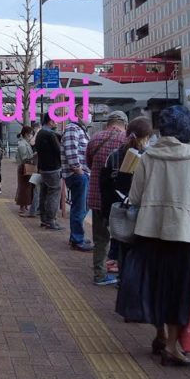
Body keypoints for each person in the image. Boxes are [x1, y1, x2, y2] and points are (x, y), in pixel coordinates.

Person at [115, 106, 190, 366]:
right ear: (186, 131)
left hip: (149, 231)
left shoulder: (149, 157)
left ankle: (159, 335)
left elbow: (134, 198)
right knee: (179, 291)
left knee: (155, 285)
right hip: (183, 234)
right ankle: (172, 346)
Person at [100, 116, 152, 277]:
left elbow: (105, 186)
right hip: (142, 213)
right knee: (139, 253)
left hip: (118, 211)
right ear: (146, 137)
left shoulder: (114, 155)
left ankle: (123, 280)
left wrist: (106, 212)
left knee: (122, 246)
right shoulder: (150, 158)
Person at [85, 111, 128, 285]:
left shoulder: (95, 139)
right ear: (124, 124)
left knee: (100, 239)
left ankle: (99, 274)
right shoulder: (126, 140)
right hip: (120, 200)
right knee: (123, 239)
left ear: (108, 123)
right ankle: (123, 278)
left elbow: (88, 163)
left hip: (97, 196)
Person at [61, 115, 92, 250]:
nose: (87, 115)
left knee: (83, 206)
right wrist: (78, 170)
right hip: (78, 174)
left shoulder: (81, 130)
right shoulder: (72, 128)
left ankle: (76, 237)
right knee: (79, 207)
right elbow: (71, 150)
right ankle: (77, 239)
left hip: (81, 174)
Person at [34, 113, 64, 230]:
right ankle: (51, 220)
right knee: (54, 192)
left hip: (42, 168)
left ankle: (44, 219)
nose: (56, 123)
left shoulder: (40, 133)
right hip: (53, 168)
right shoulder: (50, 135)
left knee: (44, 193)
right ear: (51, 121)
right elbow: (59, 151)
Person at [14, 126, 36, 215]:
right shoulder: (22, 144)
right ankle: (22, 206)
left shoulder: (25, 143)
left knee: (27, 187)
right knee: (24, 187)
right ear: (26, 134)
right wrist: (34, 155)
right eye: (31, 134)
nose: (31, 136)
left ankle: (25, 204)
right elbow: (24, 158)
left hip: (26, 167)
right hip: (24, 167)